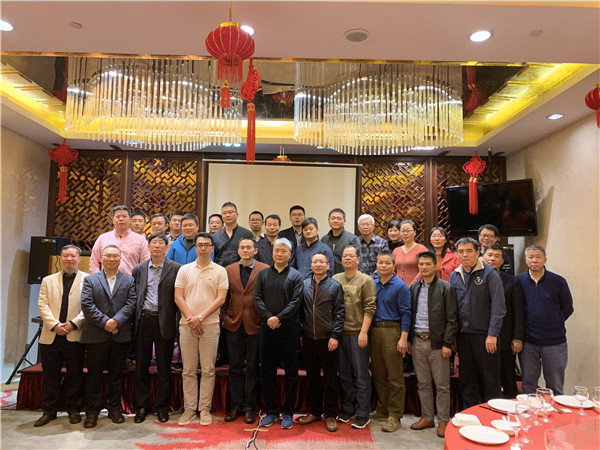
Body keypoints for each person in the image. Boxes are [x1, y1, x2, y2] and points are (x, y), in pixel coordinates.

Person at [79, 245, 137, 428]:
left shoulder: (129, 280)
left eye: (115, 256)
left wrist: (116, 321)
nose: (112, 259)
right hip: (96, 334)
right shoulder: (90, 280)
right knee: (94, 375)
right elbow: (87, 305)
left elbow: (131, 303)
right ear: (101, 258)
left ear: (120, 258)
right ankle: (92, 411)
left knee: (116, 374)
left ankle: (114, 409)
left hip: (120, 334)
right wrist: (106, 323)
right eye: (108, 256)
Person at [174, 232, 228, 426]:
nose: (203, 248)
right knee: (188, 370)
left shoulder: (220, 271)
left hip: (210, 325)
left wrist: (201, 317)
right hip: (187, 325)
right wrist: (191, 318)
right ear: (195, 248)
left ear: (212, 248)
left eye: (207, 245)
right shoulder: (184, 270)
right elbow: (178, 297)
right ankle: (189, 409)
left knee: (208, 370)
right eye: (200, 245)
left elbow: (221, 299)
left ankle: (204, 409)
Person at [35, 245, 88, 427]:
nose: (69, 259)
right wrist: (55, 325)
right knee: (50, 376)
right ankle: (49, 411)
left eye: (73, 256)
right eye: (65, 256)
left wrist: (73, 323)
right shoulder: (48, 280)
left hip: (74, 335)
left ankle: (73, 409)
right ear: (60, 258)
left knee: (75, 375)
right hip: (51, 335)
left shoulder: (88, 280)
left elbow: (88, 306)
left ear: (79, 258)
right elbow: (42, 304)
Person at [450, 237, 506, 409]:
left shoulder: (490, 273)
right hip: (463, 336)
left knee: (490, 380)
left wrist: (492, 334)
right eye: (461, 251)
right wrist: (453, 336)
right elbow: (453, 308)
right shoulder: (454, 275)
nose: (465, 255)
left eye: (469, 251)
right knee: (467, 380)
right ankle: (470, 415)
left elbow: (499, 307)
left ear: (477, 252)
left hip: (485, 336)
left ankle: (492, 416)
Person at [254, 238, 304, 430]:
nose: (279, 254)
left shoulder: (296, 276)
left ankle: (288, 412)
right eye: (277, 250)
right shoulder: (263, 274)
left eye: (284, 251)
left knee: (291, 372)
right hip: (267, 328)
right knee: (266, 372)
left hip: (289, 329)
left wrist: (279, 318)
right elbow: (257, 298)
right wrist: (269, 318)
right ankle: (271, 411)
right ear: (272, 253)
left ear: (290, 255)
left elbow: (296, 302)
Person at [132, 233, 182, 424]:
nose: (157, 246)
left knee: (164, 366)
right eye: (154, 243)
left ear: (167, 247)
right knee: (141, 366)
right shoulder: (139, 269)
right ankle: (141, 407)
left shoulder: (176, 269)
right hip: (143, 320)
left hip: (165, 320)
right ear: (148, 246)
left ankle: (162, 407)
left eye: (162, 243)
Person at [408, 251, 458, 438]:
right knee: (423, 383)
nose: (424, 267)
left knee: (442, 385)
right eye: (421, 264)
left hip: (438, 344)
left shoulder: (446, 288)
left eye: (428, 264)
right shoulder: (414, 288)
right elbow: (410, 315)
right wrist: (409, 340)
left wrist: (447, 343)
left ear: (435, 266)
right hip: (417, 341)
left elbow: (452, 319)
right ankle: (427, 417)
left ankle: (443, 420)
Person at [221, 239, 269, 424]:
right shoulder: (229, 270)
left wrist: (264, 319)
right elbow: (224, 297)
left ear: (255, 250)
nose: (245, 250)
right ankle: (236, 404)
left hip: (255, 324)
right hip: (233, 323)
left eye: (249, 247)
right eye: (242, 247)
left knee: (252, 367)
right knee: (234, 366)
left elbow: (267, 297)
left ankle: (249, 406)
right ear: (238, 250)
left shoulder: (264, 269)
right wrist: (224, 317)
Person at [516, 245, 573, 395]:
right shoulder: (518, 281)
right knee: (528, 385)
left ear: (545, 260)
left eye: (538, 257)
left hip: (555, 342)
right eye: (531, 257)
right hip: (528, 342)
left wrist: (553, 322)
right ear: (526, 260)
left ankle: (555, 410)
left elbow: (567, 308)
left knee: (555, 386)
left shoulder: (558, 281)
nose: (534, 260)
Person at [297, 252, 345, 433]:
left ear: (328, 266)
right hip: (309, 338)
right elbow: (300, 312)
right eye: (315, 262)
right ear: (311, 265)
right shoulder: (304, 285)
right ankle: (315, 411)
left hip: (328, 338)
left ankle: (330, 414)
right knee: (312, 377)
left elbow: (340, 313)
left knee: (330, 378)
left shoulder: (335, 286)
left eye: (321, 262)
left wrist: (335, 336)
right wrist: (301, 333)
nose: (318, 264)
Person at [333, 245, 376, 429]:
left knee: (361, 376)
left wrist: (364, 332)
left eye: (351, 256)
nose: (348, 258)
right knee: (344, 375)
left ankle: (363, 412)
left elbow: (370, 307)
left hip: (358, 334)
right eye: (345, 256)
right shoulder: (335, 279)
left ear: (358, 259)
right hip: (339, 334)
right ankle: (348, 409)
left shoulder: (366, 280)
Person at [370, 251, 411, 433]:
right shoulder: (373, 284)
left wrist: (404, 338)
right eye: (381, 262)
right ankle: (383, 408)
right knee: (378, 374)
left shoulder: (400, 286)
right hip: (374, 331)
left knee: (395, 376)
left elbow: (406, 313)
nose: (384, 265)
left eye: (387, 263)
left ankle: (395, 415)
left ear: (393, 266)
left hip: (392, 330)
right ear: (376, 265)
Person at [482, 244, 524, 398]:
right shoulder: (475, 279)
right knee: (486, 379)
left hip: (505, 339)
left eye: (497, 256)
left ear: (502, 261)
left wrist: (517, 338)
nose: (492, 259)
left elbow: (518, 312)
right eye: (489, 255)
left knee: (508, 378)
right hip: (482, 337)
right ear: (483, 257)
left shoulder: (512, 281)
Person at [89, 205, 150, 275]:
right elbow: (94, 262)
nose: (121, 219)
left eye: (124, 216)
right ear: (113, 219)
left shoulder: (140, 239)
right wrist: (98, 278)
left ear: (130, 219)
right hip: (105, 280)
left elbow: (145, 264)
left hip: (131, 280)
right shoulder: (103, 238)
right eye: (118, 216)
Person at [213, 202, 254, 267]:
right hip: (220, 270)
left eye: (230, 212)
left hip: (241, 269)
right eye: (224, 213)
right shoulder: (215, 236)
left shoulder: (246, 234)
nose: (227, 215)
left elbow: (252, 255)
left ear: (237, 215)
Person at [321, 208, 361, 274]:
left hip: (346, 276)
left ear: (344, 221)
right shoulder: (324, 239)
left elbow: (358, 262)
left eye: (339, 219)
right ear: (328, 220)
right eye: (333, 218)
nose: (335, 221)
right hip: (327, 277)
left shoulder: (352, 239)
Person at [392, 220, 427, 287]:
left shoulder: (422, 249)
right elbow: (392, 270)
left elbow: (423, 270)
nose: (405, 233)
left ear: (414, 232)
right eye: (403, 231)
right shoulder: (396, 251)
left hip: (417, 287)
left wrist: (412, 286)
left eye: (408, 231)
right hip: (397, 288)